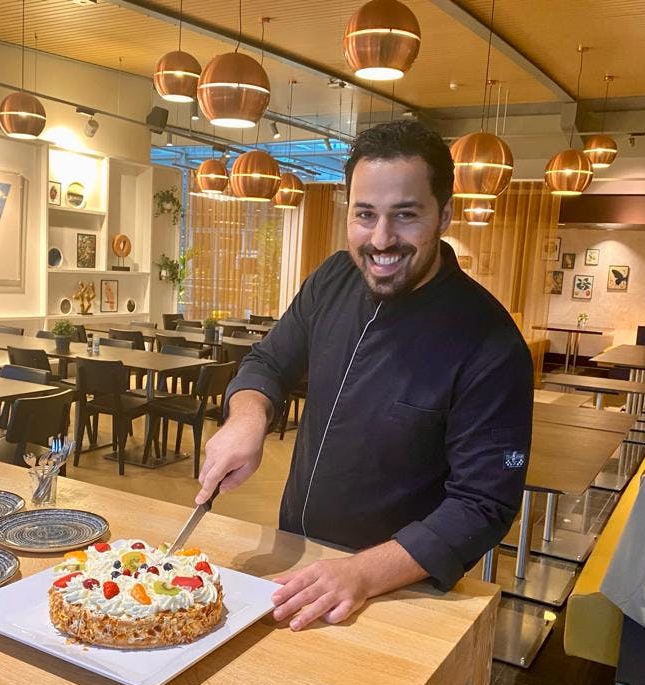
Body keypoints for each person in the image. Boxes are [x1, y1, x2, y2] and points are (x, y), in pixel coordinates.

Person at [196, 120, 533, 630]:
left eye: (405, 216)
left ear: (444, 214)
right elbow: (268, 362)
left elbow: (483, 504)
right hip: (301, 557)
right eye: (365, 215)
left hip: (398, 588)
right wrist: (246, 418)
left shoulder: (490, 342)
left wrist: (363, 573)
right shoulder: (334, 277)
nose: (381, 239)